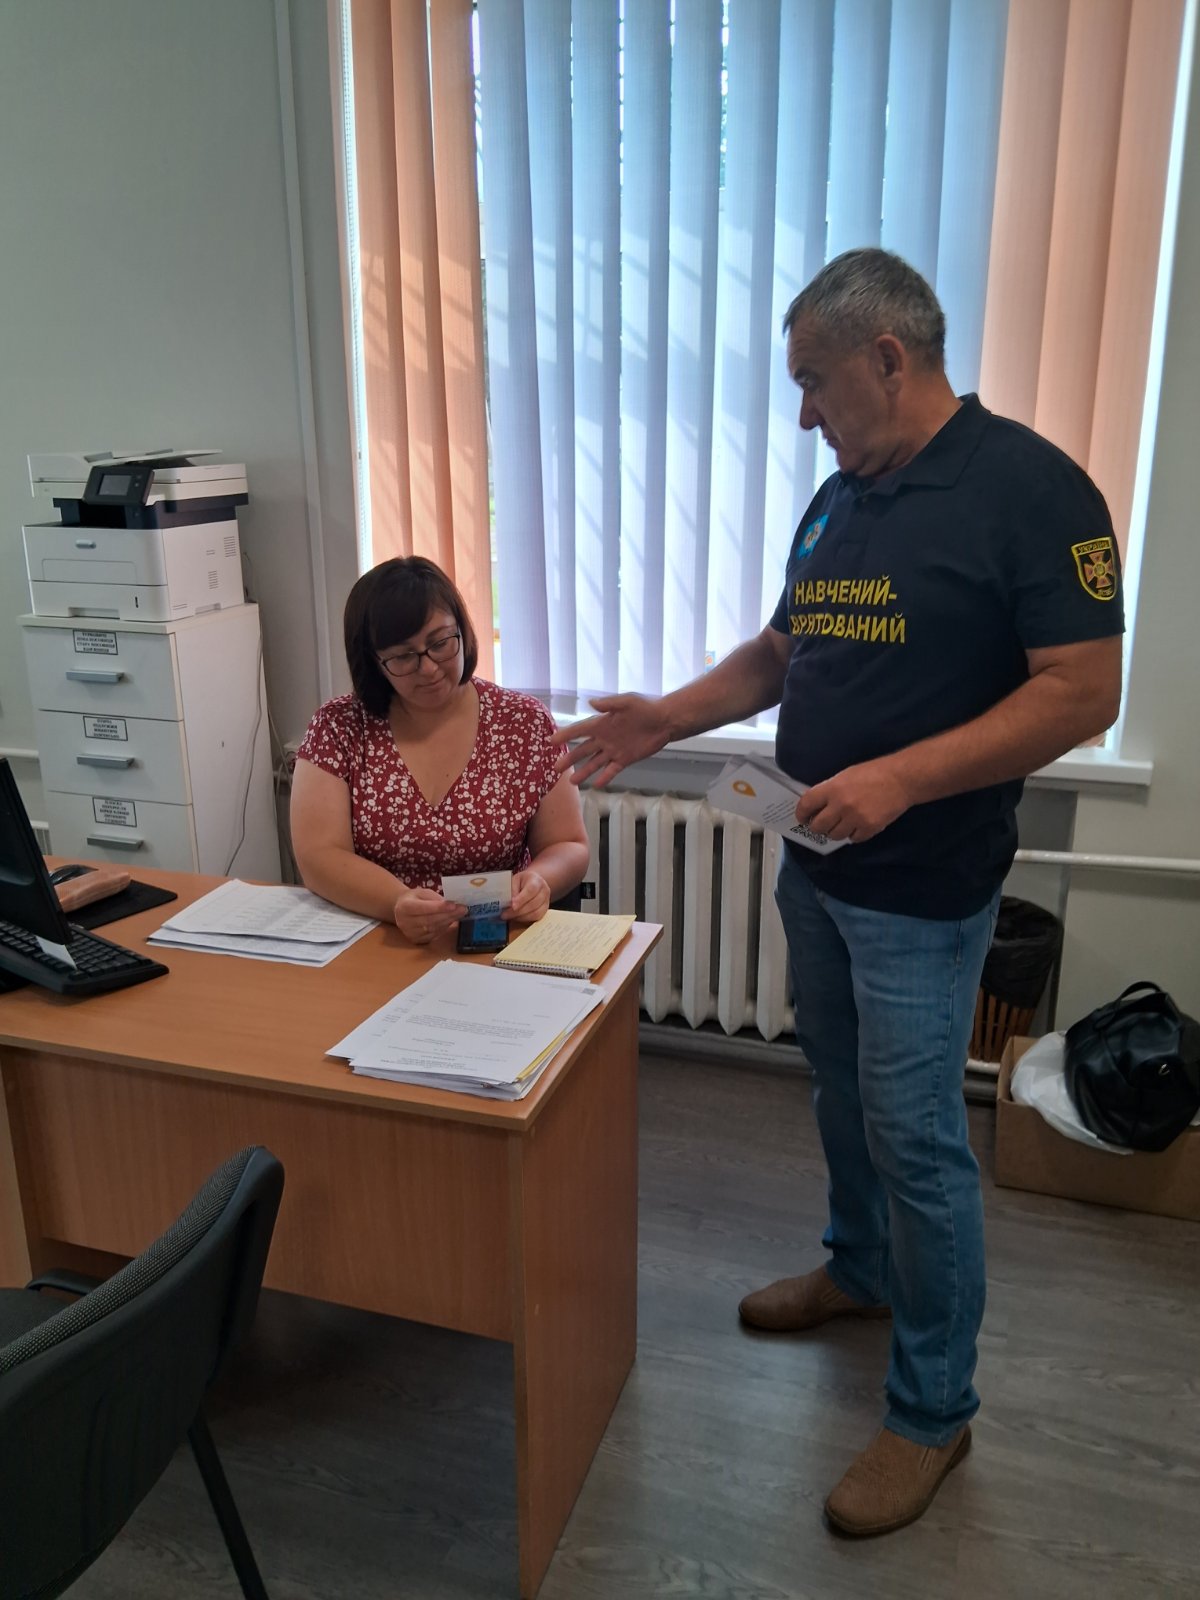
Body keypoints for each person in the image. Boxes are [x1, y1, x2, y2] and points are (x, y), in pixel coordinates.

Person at [553, 248, 1124, 1536]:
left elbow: (1084, 691)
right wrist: (666, 718)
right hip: (812, 860)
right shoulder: (839, 500)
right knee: (838, 1088)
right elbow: (780, 651)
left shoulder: (1034, 491)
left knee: (919, 1137)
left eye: (814, 381)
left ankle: (932, 1411)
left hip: (924, 886)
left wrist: (903, 778)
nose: (804, 411)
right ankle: (859, 1269)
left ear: (889, 356)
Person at [291, 556, 589, 945]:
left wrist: (538, 881)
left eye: (440, 643)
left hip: (497, 937)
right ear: (374, 662)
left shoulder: (524, 721)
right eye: (404, 656)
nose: (429, 668)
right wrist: (395, 902)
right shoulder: (339, 727)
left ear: (462, 630)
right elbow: (319, 855)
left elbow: (569, 844)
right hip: (377, 939)